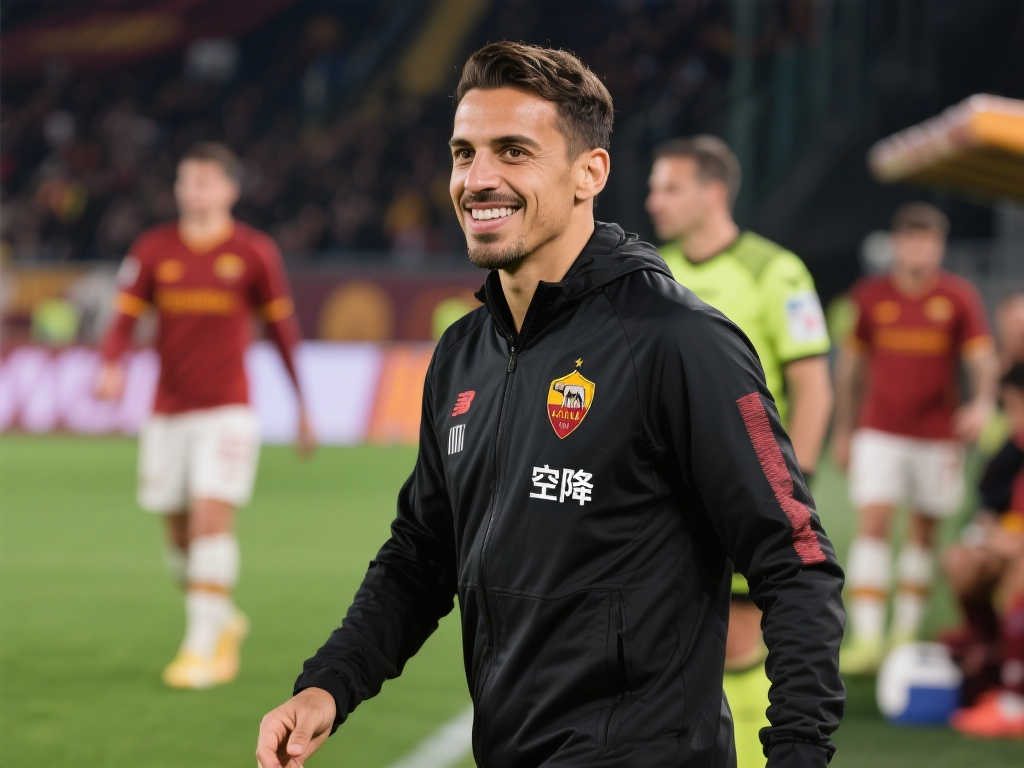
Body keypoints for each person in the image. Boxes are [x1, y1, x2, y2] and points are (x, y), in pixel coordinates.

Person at [257, 42, 844, 768]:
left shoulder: (679, 341)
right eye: (464, 153)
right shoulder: (463, 352)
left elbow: (797, 563)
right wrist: (329, 685)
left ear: (589, 173)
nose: (478, 178)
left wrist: (797, 752)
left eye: (513, 151)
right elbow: (422, 553)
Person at [95, 142, 316, 689]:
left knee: (210, 518)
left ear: (229, 190)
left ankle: (202, 649)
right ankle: (222, 617)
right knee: (177, 535)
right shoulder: (153, 250)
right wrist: (111, 365)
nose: (193, 191)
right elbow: (123, 320)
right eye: (186, 181)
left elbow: (282, 332)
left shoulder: (252, 252)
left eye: (204, 181)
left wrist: (302, 405)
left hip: (228, 412)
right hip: (168, 411)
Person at [646, 136, 833, 768]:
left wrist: (790, 489)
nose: (654, 201)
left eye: (670, 187)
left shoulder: (775, 270)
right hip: (662, 499)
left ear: (713, 192)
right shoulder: (652, 272)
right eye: (654, 187)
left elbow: (812, 386)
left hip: (742, 489)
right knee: (667, 646)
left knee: (740, 642)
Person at [832, 202, 999, 674]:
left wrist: (983, 403)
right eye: (912, 240)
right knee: (874, 522)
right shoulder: (870, 296)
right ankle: (867, 638)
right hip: (879, 430)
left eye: (928, 241)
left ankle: (904, 633)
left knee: (924, 532)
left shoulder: (958, 297)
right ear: (898, 244)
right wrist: (844, 430)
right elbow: (850, 369)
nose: (920, 249)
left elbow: (981, 359)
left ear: (939, 246)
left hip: (938, 434)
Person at [943, 362, 1024, 737]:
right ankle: (989, 654)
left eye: (1015, 406)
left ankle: (1014, 701)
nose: (1011, 417)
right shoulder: (1010, 453)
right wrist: (992, 537)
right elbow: (987, 515)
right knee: (960, 561)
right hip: (1009, 547)